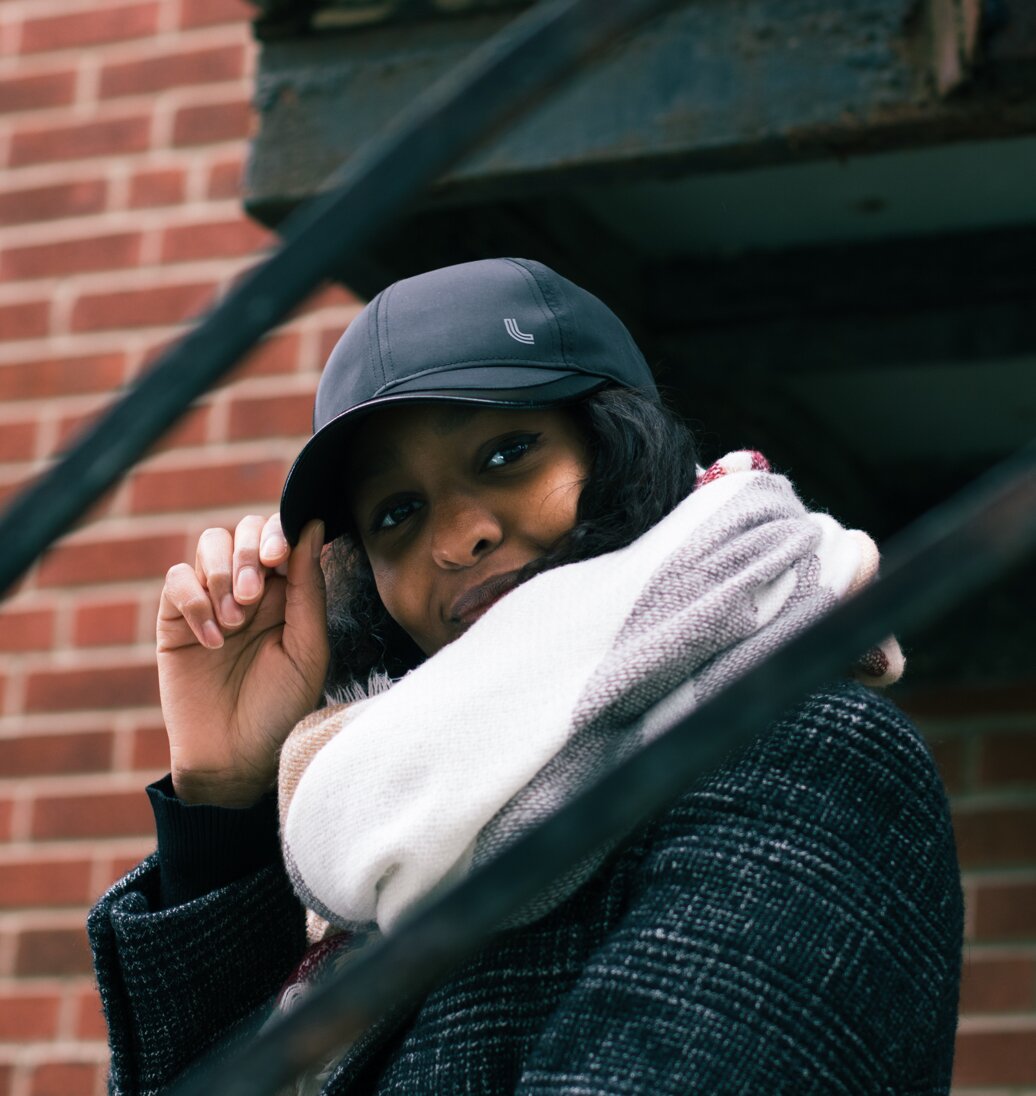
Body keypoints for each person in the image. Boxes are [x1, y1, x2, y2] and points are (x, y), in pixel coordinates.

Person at [88, 258, 963, 1095]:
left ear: (623, 449)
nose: (456, 536)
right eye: (397, 512)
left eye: (507, 453)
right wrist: (221, 812)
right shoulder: (388, 837)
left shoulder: (805, 754)